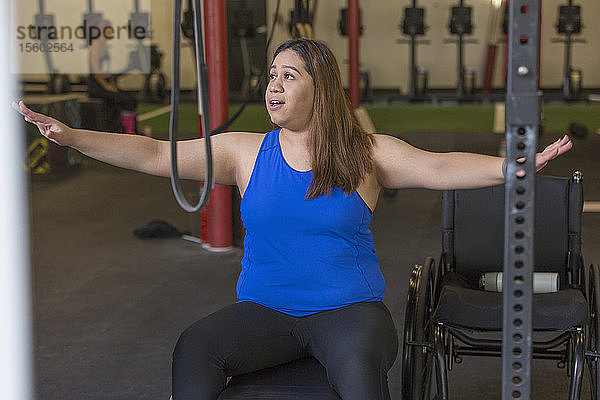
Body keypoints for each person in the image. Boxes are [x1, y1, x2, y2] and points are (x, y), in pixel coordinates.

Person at [14, 38, 572, 400]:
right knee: (196, 346)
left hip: (349, 314)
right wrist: (74, 137)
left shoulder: (365, 153)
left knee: (356, 370)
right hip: (267, 313)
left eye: (289, 75)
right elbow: (157, 154)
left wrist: (513, 166)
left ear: (319, 88)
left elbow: (439, 166)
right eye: (272, 75)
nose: (273, 85)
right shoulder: (246, 151)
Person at [87, 19, 138, 133]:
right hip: (96, 87)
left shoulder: (104, 46)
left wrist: (111, 83)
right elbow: (96, 71)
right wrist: (106, 86)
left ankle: (131, 130)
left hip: (103, 84)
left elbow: (105, 71)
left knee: (132, 99)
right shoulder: (96, 45)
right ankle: (128, 132)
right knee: (127, 101)